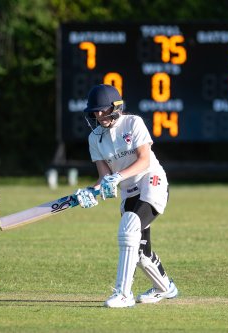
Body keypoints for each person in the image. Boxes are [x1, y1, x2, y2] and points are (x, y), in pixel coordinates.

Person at [75, 84, 178, 308]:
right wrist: (90, 192)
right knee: (139, 251)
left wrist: (118, 176)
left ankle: (123, 294)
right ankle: (165, 287)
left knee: (129, 227)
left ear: (115, 107)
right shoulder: (95, 138)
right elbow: (104, 177)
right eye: (95, 111)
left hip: (152, 181)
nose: (98, 115)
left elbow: (145, 160)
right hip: (128, 191)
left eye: (102, 110)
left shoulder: (133, 123)